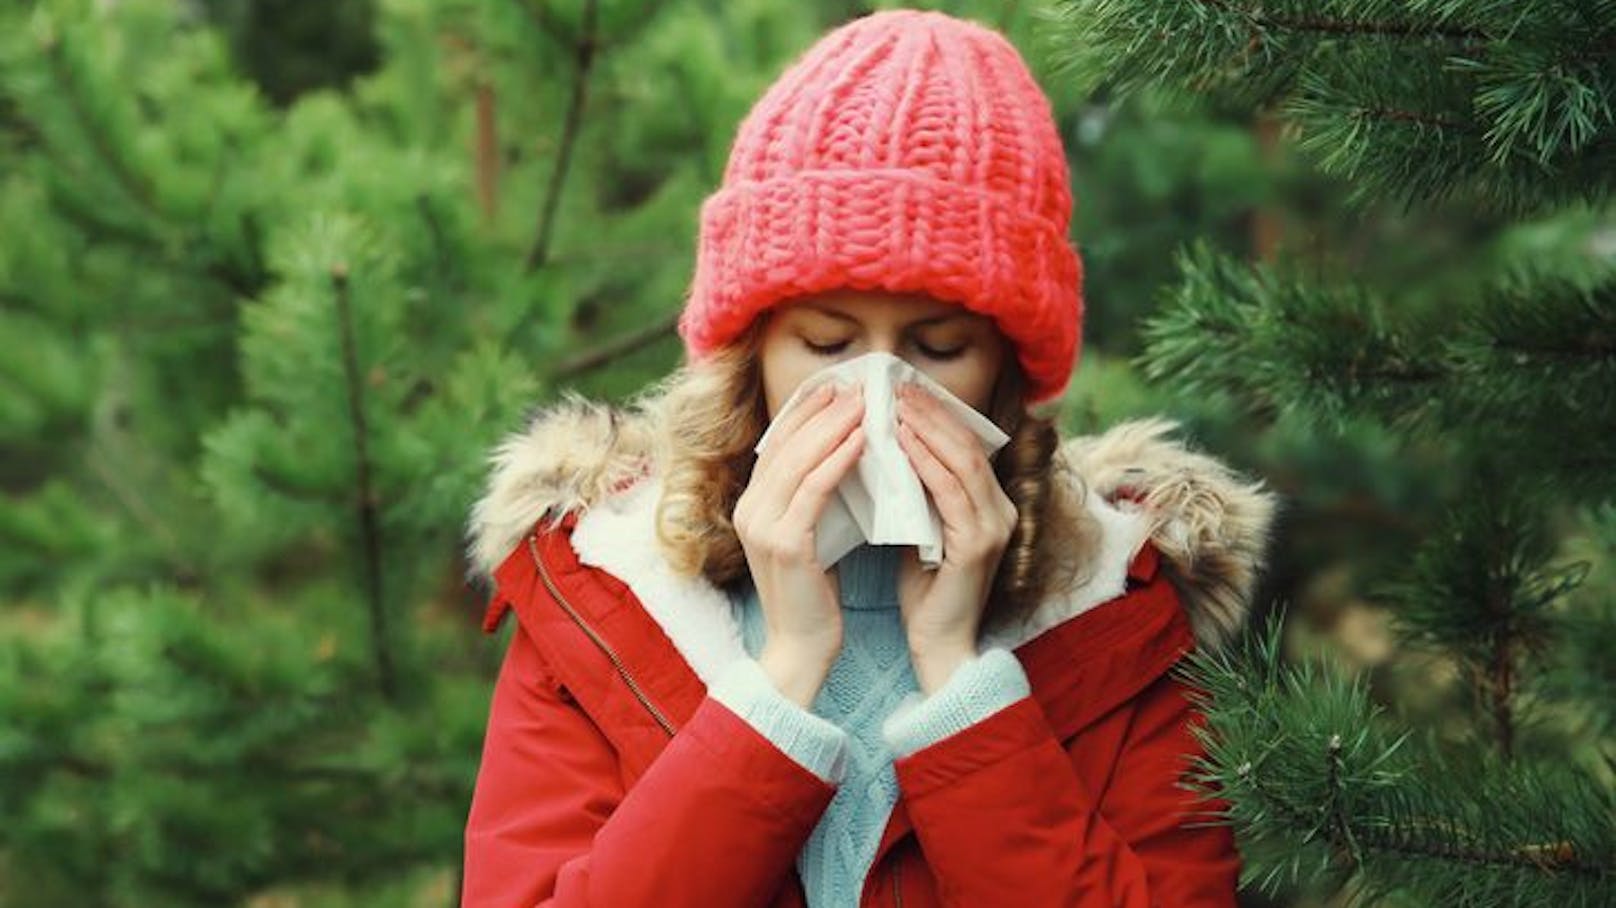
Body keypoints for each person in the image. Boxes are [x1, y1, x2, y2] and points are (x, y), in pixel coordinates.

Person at [459, 8, 1278, 907]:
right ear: (754, 354)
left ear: (1005, 368)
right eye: (826, 343)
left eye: (935, 347)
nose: (877, 392)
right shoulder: (604, 587)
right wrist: (783, 677)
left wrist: (961, 683)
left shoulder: (1115, 609)